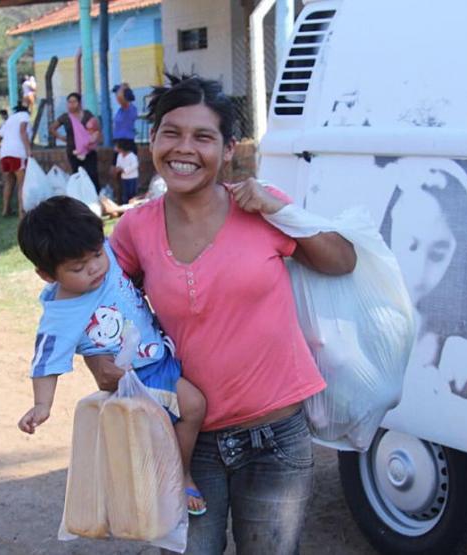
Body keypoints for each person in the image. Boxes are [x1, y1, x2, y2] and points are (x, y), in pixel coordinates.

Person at [83, 75, 357, 554]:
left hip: (276, 437)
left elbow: (342, 261)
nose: (184, 148)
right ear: (153, 140)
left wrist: (280, 211)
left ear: (228, 149)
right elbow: (93, 300)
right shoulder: (135, 229)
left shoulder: (261, 209)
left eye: (203, 137)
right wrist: (99, 362)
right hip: (186, 442)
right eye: (171, 132)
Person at [16, 196, 209, 515]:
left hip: (161, 357)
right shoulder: (61, 315)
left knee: (173, 421)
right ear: (47, 275)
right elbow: (45, 362)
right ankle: (181, 474)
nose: (94, 268)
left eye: (95, 255)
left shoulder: (103, 253)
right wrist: (42, 405)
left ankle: (171, 476)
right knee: (193, 406)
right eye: (78, 268)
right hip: (134, 376)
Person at [49, 92, 101, 193]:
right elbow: (52, 128)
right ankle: (80, 198)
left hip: (88, 150)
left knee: (92, 174)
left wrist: (94, 138)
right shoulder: (65, 117)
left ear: (79, 103)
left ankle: (95, 197)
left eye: (74, 102)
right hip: (73, 151)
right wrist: (61, 137)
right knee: (77, 175)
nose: (72, 104)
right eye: (69, 102)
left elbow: (96, 128)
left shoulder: (87, 114)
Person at [0, 102, 32, 218]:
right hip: (18, 152)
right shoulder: (24, 116)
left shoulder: (10, 119)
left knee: (9, 180)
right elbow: (23, 131)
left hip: (5, 154)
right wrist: (28, 149)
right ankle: (21, 212)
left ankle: (5, 209)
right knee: (22, 182)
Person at [112, 138, 140, 204]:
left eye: (116, 146)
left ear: (121, 147)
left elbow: (135, 165)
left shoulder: (132, 156)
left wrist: (123, 170)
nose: (115, 148)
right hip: (124, 178)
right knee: (125, 194)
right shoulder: (119, 155)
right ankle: (125, 206)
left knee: (132, 194)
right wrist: (117, 169)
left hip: (132, 178)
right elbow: (118, 164)